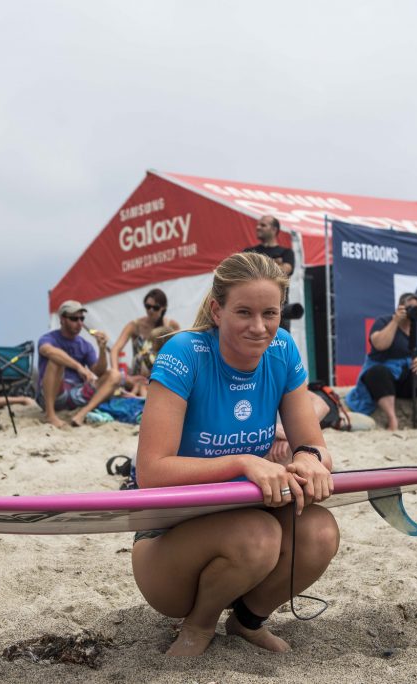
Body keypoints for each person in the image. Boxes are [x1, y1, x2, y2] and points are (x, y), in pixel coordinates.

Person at [132, 252, 339, 657]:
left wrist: (311, 460)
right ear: (217, 309)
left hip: (246, 516)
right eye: (244, 312)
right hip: (167, 545)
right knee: (256, 535)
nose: (259, 327)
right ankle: (198, 626)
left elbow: (314, 447)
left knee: (320, 531)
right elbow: (150, 473)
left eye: (270, 313)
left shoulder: (282, 350)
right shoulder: (184, 352)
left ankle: (247, 622)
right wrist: (244, 462)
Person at [344, 293, 417, 431]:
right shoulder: (384, 321)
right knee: (378, 372)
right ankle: (392, 420)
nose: (414, 310)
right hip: (385, 378)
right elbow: (379, 345)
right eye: (410, 307)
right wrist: (395, 321)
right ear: (400, 307)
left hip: (408, 378)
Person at [37, 300, 121, 428]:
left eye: (82, 318)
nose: (79, 323)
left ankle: (82, 414)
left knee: (115, 375)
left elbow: (99, 372)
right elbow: (47, 350)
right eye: (74, 319)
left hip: (76, 393)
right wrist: (79, 367)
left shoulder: (84, 345)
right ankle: (50, 414)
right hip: (54, 394)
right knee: (56, 360)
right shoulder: (49, 338)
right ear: (62, 319)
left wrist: (102, 349)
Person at [109, 289, 181, 398]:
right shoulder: (135, 325)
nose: (151, 310)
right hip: (137, 378)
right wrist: (117, 372)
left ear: (164, 308)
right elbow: (115, 349)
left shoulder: (171, 326)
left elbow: (180, 350)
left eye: (155, 308)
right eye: (147, 306)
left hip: (161, 376)